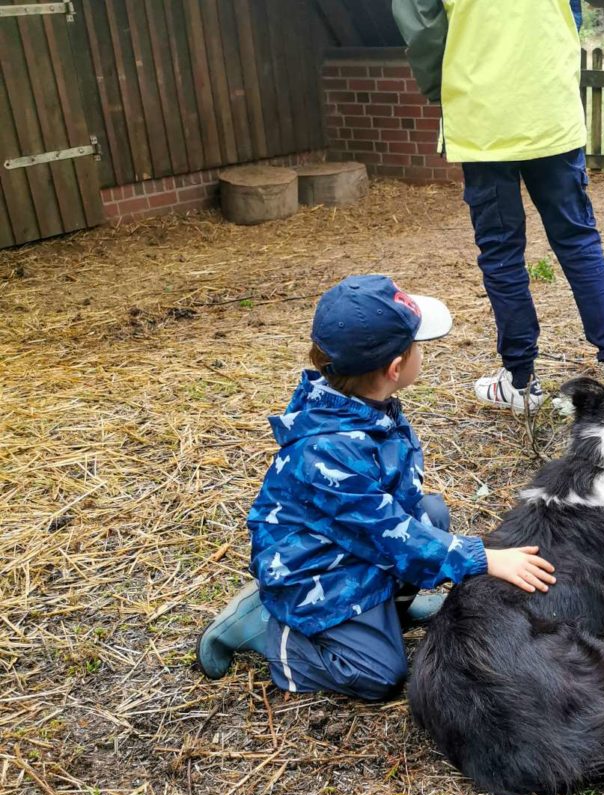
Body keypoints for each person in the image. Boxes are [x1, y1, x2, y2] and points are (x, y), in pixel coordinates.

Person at [196, 275, 556, 699]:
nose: (422, 352)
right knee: (377, 674)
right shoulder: (326, 453)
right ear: (395, 369)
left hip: (351, 543)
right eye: (417, 346)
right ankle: (270, 626)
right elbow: (388, 531)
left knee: (431, 513)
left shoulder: (362, 406)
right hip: (313, 571)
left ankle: (391, 607)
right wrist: (482, 558)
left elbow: (390, 515)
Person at [394, 0, 604, 413]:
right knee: (578, 239)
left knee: (502, 253)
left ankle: (521, 382)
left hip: (482, 115)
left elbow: (422, 28)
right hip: (550, 107)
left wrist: (442, 84)